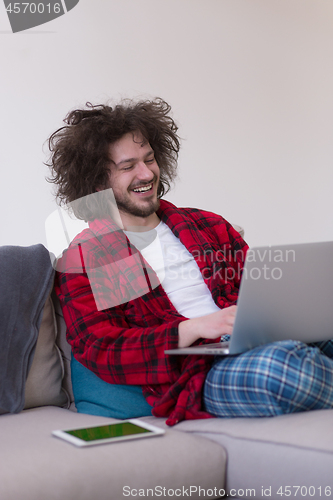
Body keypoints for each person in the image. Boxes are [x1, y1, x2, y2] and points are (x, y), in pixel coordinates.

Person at [47, 98, 333, 426]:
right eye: (128, 167)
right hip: (201, 373)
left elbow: (262, 295)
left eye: (150, 159)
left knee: (303, 343)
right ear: (98, 183)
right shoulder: (89, 256)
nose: (146, 173)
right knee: (279, 370)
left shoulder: (207, 225)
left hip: (259, 340)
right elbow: (102, 350)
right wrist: (193, 328)